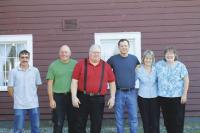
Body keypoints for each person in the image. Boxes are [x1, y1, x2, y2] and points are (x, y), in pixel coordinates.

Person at [71, 44, 116, 133]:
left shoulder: (106, 66)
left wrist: (112, 97)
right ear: (89, 53)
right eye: (94, 52)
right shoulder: (80, 64)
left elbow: (112, 82)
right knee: (80, 123)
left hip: (98, 99)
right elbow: (74, 81)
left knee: (97, 123)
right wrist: (74, 97)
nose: (96, 54)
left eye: (98, 52)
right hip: (82, 97)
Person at [107, 39, 140, 133]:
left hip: (132, 92)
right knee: (119, 118)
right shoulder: (113, 59)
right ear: (119, 47)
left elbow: (140, 71)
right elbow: (105, 71)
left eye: (126, 45)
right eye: (122, 46)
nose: (124, 47)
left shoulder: (134, 59)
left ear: (128, 47)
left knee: (133, 118)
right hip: (118, 92)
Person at [156, 47, 189, 133]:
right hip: (163, 97)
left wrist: (184, 94)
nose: (169, 55)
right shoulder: (158, 65)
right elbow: (149, 69)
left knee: (178, 120)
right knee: (167, 120)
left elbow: (186, 80)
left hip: (177, 97)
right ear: (164, 55)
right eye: (167, 53)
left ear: (175, 55)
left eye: (171, 53)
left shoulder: (180, 65)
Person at [7, 50, 42, 133]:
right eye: (22, 57)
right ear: (19, 58)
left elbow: (37, 85)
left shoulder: (35, 71)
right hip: (19, 105)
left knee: (36, 128)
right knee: (18, 129)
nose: (24, 59)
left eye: (26, 57)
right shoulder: (13, 72)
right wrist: (16, 97)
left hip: (33, 104)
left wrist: (31, 94)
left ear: (29, 58)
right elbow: (10, 88)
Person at [46, 45, 77, 133]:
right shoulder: (53, 65)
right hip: (58, 97)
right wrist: (51, 99)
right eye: (62, 52)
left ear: (70, 53)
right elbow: (50, 84)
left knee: (73, 122)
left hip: (72, 96)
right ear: (59, 53)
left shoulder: (75, 64)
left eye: (66, 52)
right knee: (58, 122)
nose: (64, 54)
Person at [135, 50, 159, 133]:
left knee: (155, 120)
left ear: (153, 59)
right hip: (142, 97)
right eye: (146, 58)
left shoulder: (156, 69)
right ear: (143, 59)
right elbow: (132, 81)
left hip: (155, 97)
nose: (148, 60)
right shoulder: (138, 69)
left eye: (150, 58)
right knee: (145, 120)